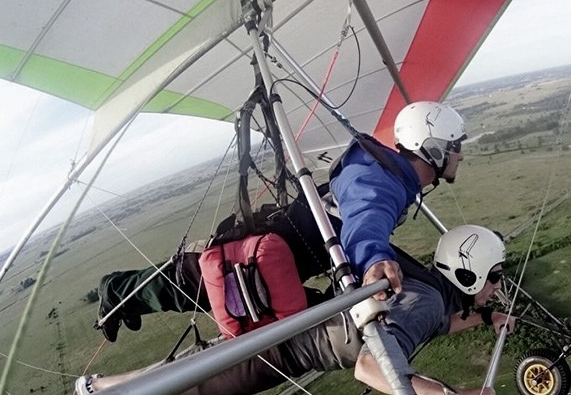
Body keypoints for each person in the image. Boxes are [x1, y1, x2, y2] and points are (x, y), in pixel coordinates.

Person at [75, 225, 513, 395]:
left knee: (192, 371)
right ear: (469, 273)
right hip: (284, 350)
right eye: (494, 277)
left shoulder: (431, 294)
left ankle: (99, 392)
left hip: (294, 333)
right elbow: (369, 367)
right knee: (186, 386)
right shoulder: (427, 301)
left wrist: (486, 319)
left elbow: (438, 323)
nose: (497, 287)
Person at [96, 101, 467, 342]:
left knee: (194, 289)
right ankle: (115, 292)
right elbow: (365, 219)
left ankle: (126, 298)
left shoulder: (391, 176)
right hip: (259, 260)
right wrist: (373, 260)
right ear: (434, 149)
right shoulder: (379, 181)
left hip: (285, 261)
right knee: (187, 284)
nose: (461, 156)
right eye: (456, 147)